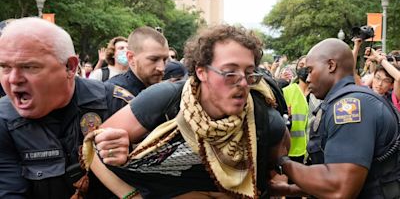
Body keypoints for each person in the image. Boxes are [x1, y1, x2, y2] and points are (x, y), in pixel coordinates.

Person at [89, 25, 291, 198]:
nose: (243, 83)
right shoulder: (163, 100)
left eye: (249, 73)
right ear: (201, 71)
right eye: (229, 72)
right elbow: (94, 149)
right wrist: (133, 195)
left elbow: (276, 172)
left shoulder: (265, 121)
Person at [0, 17, 132, 198]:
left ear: (70, 67)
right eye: (4, 67)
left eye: (29, 67)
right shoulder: (3, 120)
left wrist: (132, 155)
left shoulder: (117, 104)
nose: (13, 79)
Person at [271, 38, 400, 198]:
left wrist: (282, 161)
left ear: (331, 65)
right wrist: (290, 190)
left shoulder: (348, 106)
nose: (308, 78)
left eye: (310, 70)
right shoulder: (344, 101)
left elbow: (340, 188)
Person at [107, 26, 170, 96]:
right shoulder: (112, 94)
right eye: (153, 59)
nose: (162, 68)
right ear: (131, 57)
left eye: (165, 60)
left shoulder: (165, 92)